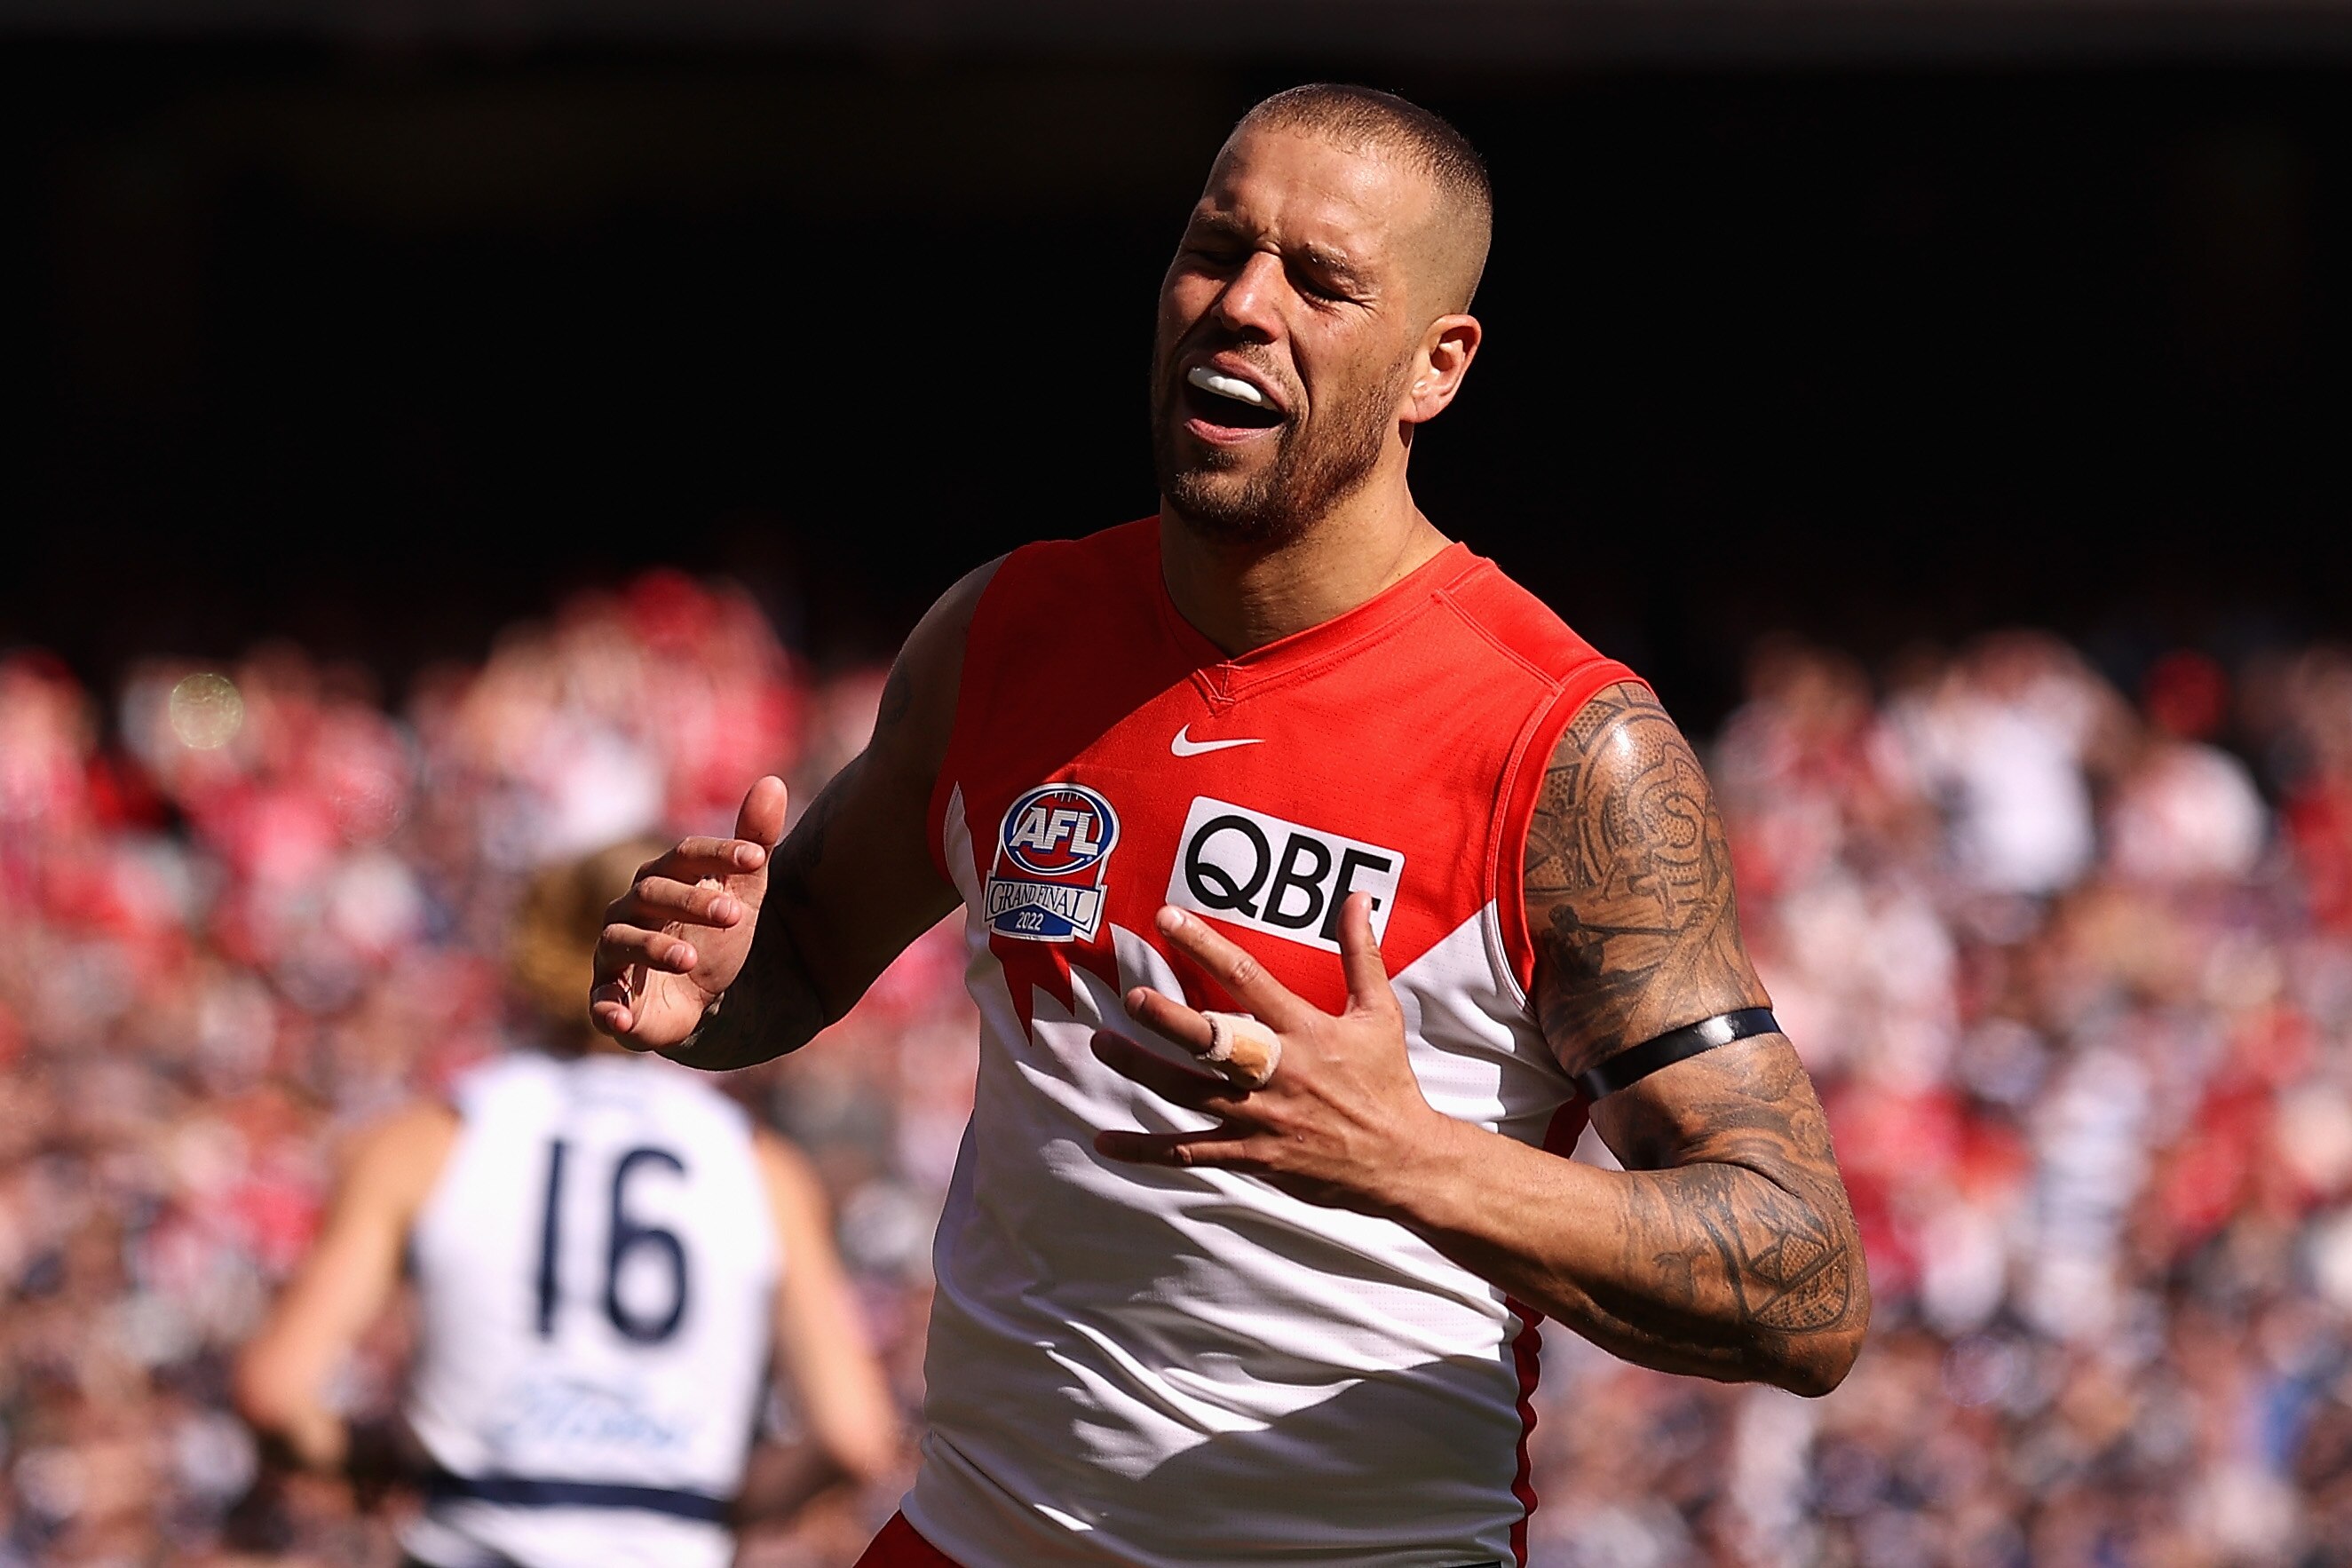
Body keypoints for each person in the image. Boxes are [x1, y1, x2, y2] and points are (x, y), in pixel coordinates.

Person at [591, 83, 1869, 1568]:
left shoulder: (1569, 748)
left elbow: (1805, 1288)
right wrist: (710, 977)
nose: (1242, 305)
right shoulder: (1005, 629)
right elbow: (797, 955)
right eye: (1214, 249)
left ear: (1436, 366)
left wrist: (1412, 1157)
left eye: (1320, 282)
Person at [235, 840, 895, 1568]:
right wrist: (717, 1507)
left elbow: (275, 1393)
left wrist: (372, 1463)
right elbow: (851, 1435)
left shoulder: (426, 1140)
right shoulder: (761, 1167)